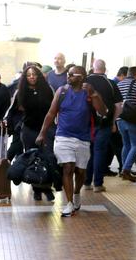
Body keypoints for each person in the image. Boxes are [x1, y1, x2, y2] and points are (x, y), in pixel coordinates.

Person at [36, 66, 107, 217]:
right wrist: (42, 133)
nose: (68, 76)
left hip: (83, 138)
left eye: (72, 75)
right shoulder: (61, 91)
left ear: (81, 77)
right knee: (67, 168)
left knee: (80, 171)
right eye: (68, 74)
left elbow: (103, 111)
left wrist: (94, 94)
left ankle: (76, 193)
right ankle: (68, 203)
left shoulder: (89, 93)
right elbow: (51, 113)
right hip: (63, 136)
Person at [14, 65, 56, 201]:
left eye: (34, 74)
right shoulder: (20, 91)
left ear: (39, 76)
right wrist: (7, 122)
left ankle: (47, 187)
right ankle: (36, 188)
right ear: (25, 78)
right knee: (33, 159)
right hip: (29, 130)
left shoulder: (48, 89)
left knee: (48, 158)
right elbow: (12, 110)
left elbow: (56, 108)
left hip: (47, 129)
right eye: (29, 75)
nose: (32, 77)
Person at [83, 59, 123, 192]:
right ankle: (98, 184)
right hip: (105, 124)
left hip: (87, 124)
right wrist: (113, 121)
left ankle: (86, 182)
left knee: (88, 152)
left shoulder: (85, 82)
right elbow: (118, 106)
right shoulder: (111, 83)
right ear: (105, 69)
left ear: (92, 68)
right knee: (100, 152)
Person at [117, 66, 136, 182]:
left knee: (126, 144)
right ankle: (126, 170)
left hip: (120, 118)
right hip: (133, 119)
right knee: (135, 145)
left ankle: (123, 169)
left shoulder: (119, 84)